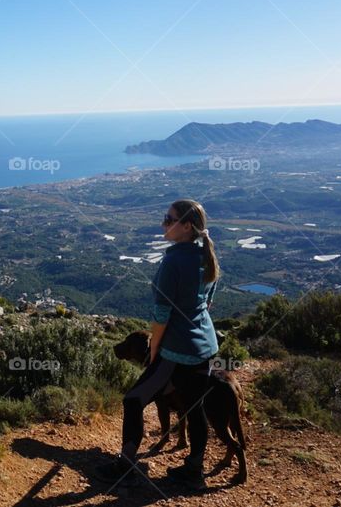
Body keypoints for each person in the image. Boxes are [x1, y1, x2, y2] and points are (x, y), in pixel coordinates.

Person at [94, 199, 220, 490]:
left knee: (133, 400)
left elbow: (161, 316)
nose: (164, 223)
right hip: (205, 346)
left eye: (169, 218)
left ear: (186, 226)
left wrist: (154, 350)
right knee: (194, 408)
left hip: (177, 350)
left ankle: (125, 466)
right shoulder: (206, 255)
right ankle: (194, 471)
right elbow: (207, 302)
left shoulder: (174, 261)